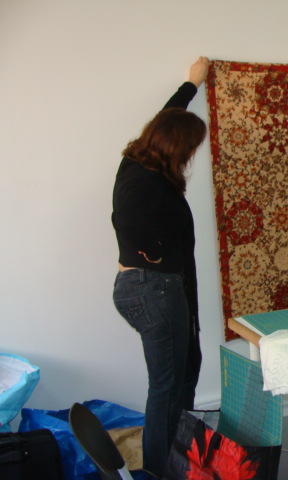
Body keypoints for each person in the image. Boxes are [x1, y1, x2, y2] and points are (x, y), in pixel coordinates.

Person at [111, 56, 209, 477]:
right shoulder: (145, 182)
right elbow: (126, 221)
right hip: (154, 289)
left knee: (184, 374)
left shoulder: (139, 160)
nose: (193, 153)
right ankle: (159, 472)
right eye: (191, 147)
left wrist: (191, 85)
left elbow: (166, 118)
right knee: (168, 388)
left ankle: (177, 459)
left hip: (157, 288)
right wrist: (150, 253)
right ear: (177, 149)